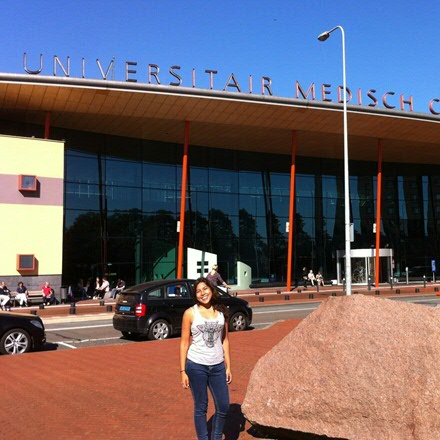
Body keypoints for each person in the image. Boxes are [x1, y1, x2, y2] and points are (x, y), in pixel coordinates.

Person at [180, 277, 232, 440]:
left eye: (205, 289)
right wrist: (182, 370)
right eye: (198, 291)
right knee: (201, 407)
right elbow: (183, 342)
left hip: (217, 366)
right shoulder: (190, 313)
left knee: (223, 406)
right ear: (195, 295)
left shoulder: (221, 312)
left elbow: (225, 340)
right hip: (196, 366)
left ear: (212, 289)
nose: (202, 293)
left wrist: (228, 366)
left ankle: (216, 437)